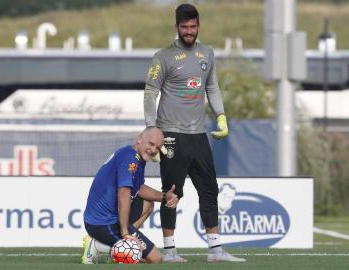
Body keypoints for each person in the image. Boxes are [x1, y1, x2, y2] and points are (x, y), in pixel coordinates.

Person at [143, 3, 245, 263]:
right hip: (171, 136)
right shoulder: (163, 56)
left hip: (199, 135)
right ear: (176, 27)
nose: (189, 31)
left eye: (193, 26)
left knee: (210, 189)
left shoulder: (207, 54)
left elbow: (212, 86)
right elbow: (150, 92)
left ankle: (215, 250)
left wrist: (221, 115)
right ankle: (170, 251)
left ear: (199, 26)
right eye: (184, 27)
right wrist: (151, 128)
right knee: (172, 192)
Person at [81, 127, 178, 264]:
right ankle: (97, 246)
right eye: (151, 144)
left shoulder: (135, 156)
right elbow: (124, 195)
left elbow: (139, 188)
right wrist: (126, 233)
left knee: (148, 203)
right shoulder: (130, 158)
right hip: (102, 222)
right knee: (155, 259)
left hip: (106, 218)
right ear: (140, 138)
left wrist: (164, 197)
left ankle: (122, 245)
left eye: (157, 147)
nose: (153, 150)